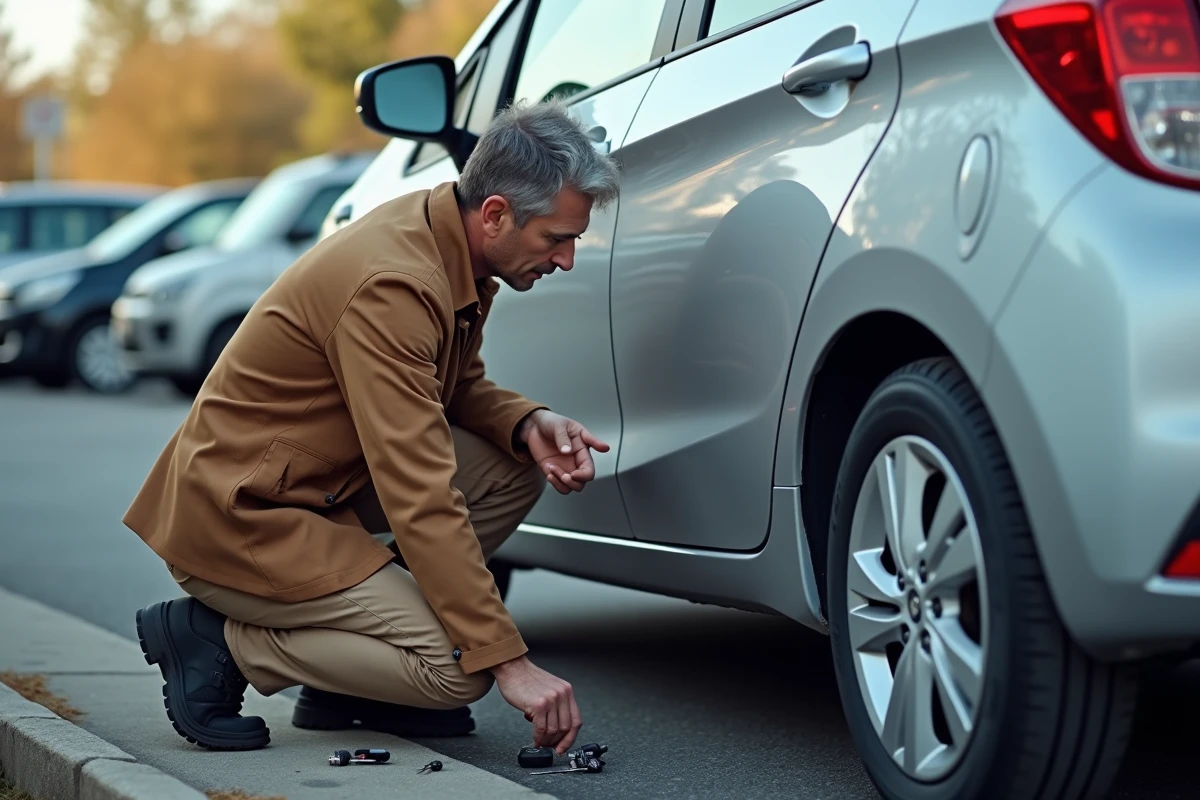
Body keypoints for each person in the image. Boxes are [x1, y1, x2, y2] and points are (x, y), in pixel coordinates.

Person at [124, 99, 622, 755]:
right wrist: (508, 660)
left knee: (508, 468)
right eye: (557, 239)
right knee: (454, 671)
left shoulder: (455, 247)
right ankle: (218, 640)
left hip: (313, 496)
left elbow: (453, 386)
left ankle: (352, 681)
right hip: (241, 519)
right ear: (497, 213)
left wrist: (527, 421)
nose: (566, 261)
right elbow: (420, 492)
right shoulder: (396, 281)